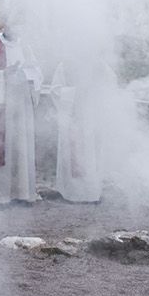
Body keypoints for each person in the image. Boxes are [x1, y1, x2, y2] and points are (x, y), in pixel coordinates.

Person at [0, 21, 41, 205]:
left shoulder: (25, 47)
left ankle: (22, 194)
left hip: (21, 107)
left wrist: (25, 76)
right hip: (0, 108)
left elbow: (37, 73)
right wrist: (4, 75)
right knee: (1, 146)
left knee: (21, 147)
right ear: (6, 24)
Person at [51, 59, 111, 204]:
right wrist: (75, 92)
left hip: (92, 117)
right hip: (73, 117)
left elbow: (111, 85)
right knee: (73, 151)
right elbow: (55, 90)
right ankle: (71, 193)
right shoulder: (65, 64)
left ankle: (92, 192)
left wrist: (95, 90)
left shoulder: (100, 64)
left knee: (92, 155)